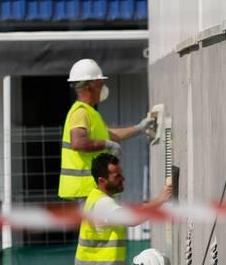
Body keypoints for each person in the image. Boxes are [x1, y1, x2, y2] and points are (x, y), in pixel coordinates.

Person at [57, 58, 158, 199]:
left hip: (91, 188)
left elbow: (111, 135)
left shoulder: (89, 112)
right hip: (86, 188)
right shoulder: (80, 112)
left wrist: (139, 128)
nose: (103, 87)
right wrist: (106, 144)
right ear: (88, 86)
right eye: (100, 83)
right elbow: (78, 143)